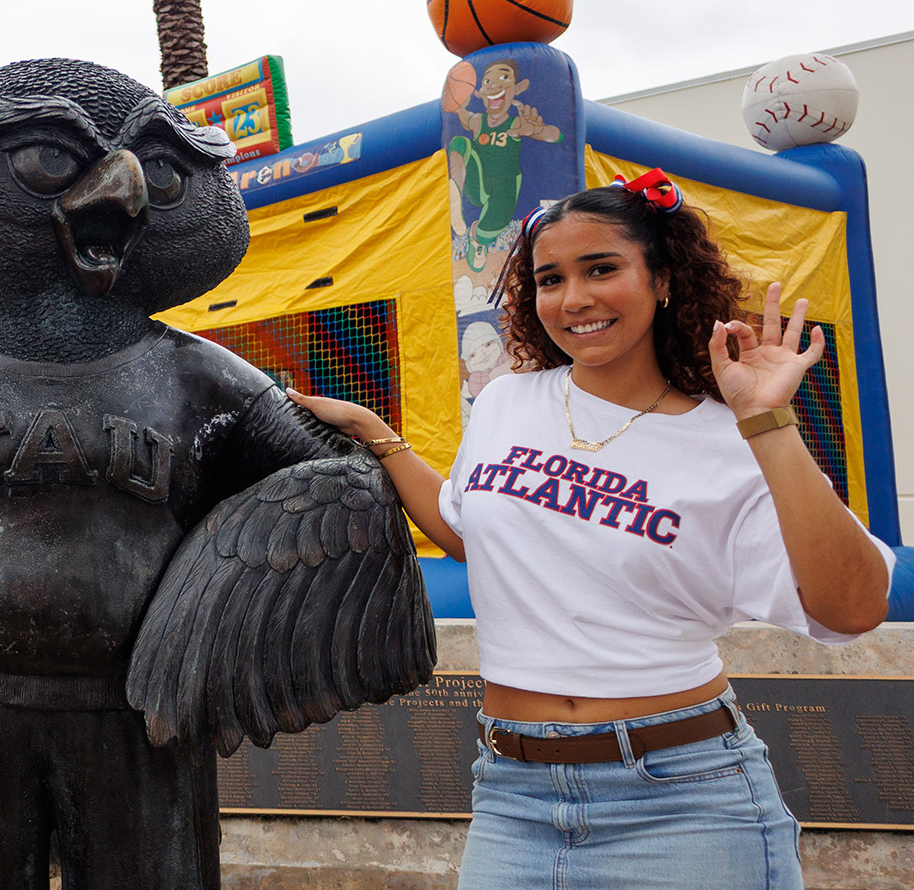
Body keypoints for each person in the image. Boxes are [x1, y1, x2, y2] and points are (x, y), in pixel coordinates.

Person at [289, 170, 894, 890]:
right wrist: (376, 434)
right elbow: (473, 535)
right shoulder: (507, 402)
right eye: (550, 279)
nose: (573, 299)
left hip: (685, 800)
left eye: (601, 269)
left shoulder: (729, 437)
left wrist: (767, 420)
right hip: (513, 796)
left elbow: (853, 608)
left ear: (661, 279)